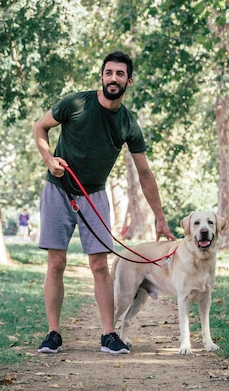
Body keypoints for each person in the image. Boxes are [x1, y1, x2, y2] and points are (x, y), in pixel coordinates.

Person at [32, 51, 176, 355]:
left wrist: (160, 217)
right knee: (56, 262)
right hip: (58, 189)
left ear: (129, 80)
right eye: (109, 73)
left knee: (99, 265)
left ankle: (109, 334)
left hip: (94, 194)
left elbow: (145, 173)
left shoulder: (127, 123)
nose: (113, 78)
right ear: (102, 76)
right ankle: (53, 333)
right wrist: (48, 159)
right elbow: (40, 127)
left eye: (120, 74)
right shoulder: (76, 104)